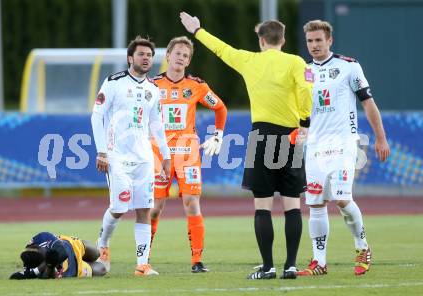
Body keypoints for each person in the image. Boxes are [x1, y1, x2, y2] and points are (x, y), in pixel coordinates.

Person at [180, 13, 313, 279]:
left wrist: (198, 31)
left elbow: (222, 50)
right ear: (283, 40)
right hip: (292, 135)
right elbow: (307, 89)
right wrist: (304, 120)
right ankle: (289, 266)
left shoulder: (250, 60)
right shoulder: (297, 62)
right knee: (293, 206)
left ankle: (268, 267)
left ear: (262, 40)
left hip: (262, 135)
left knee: (262, 206)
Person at [297, 20, 390, 277]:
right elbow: (302, 111)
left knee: (341, 199)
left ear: (329, 41)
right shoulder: (303, 71)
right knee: (315, 204)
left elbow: (368, 104)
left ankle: (362, 247)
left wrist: (380, 138)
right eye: (310, 41)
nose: (314, 45)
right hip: (315, 146)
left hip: (343, 143)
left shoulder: (349, 67)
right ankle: (319, 262)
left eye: (318, 40)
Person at [91, 36, 171, 276]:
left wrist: (165, 156)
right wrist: (102, 151)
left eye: (149, 55)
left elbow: (157, 124)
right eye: (141, 54)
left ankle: (142, 264)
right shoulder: (114, 82)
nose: (146, 58)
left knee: (144, 209)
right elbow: (96, 116)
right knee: (118, 208)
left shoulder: (153, 89)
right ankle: (103, 245)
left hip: (144, 159)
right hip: (116, 157)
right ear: (130, 58)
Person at [150, 36, 227, 273]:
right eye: (177, 53)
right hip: (158, 152)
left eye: (185, 55)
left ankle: (197, 260)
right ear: (168, 56)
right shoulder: (151, 85)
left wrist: (217, 135)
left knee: (191, 202)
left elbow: (220, 107)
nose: (181, 58)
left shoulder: (196, 86)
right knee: (154, 207)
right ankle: (144, 259)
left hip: (187, 151)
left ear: (188, 60)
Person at [9, 232, 107, 279]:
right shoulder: (33, 266)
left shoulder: (42, 238)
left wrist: (36, 271)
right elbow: (48, 275)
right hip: (73, 268)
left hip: (72, 245)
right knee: (103, 269)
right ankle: (89, 265)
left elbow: (62, 252)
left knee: (96, 253)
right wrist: (49, 265)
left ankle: (101, 243)